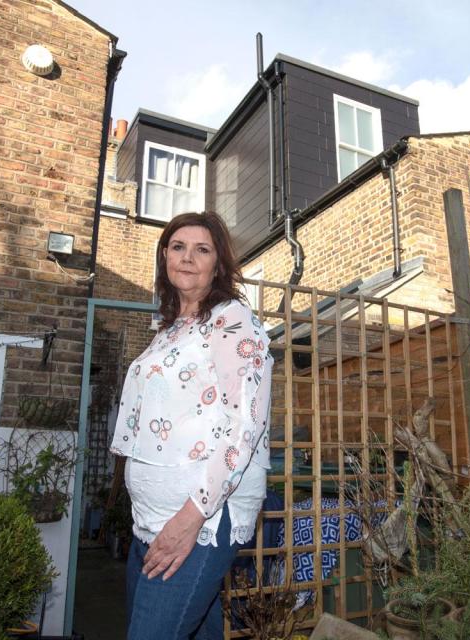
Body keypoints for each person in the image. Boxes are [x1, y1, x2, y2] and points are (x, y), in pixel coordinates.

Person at [110, 212, 273, 640]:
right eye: (178, 247)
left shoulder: (232, 320)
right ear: (165, 256)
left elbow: (244, 425)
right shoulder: (169, 330)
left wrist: (190, 519)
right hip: (149, 519)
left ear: (217, 264)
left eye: (202, 249)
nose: (187, 257)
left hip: (198, 520)